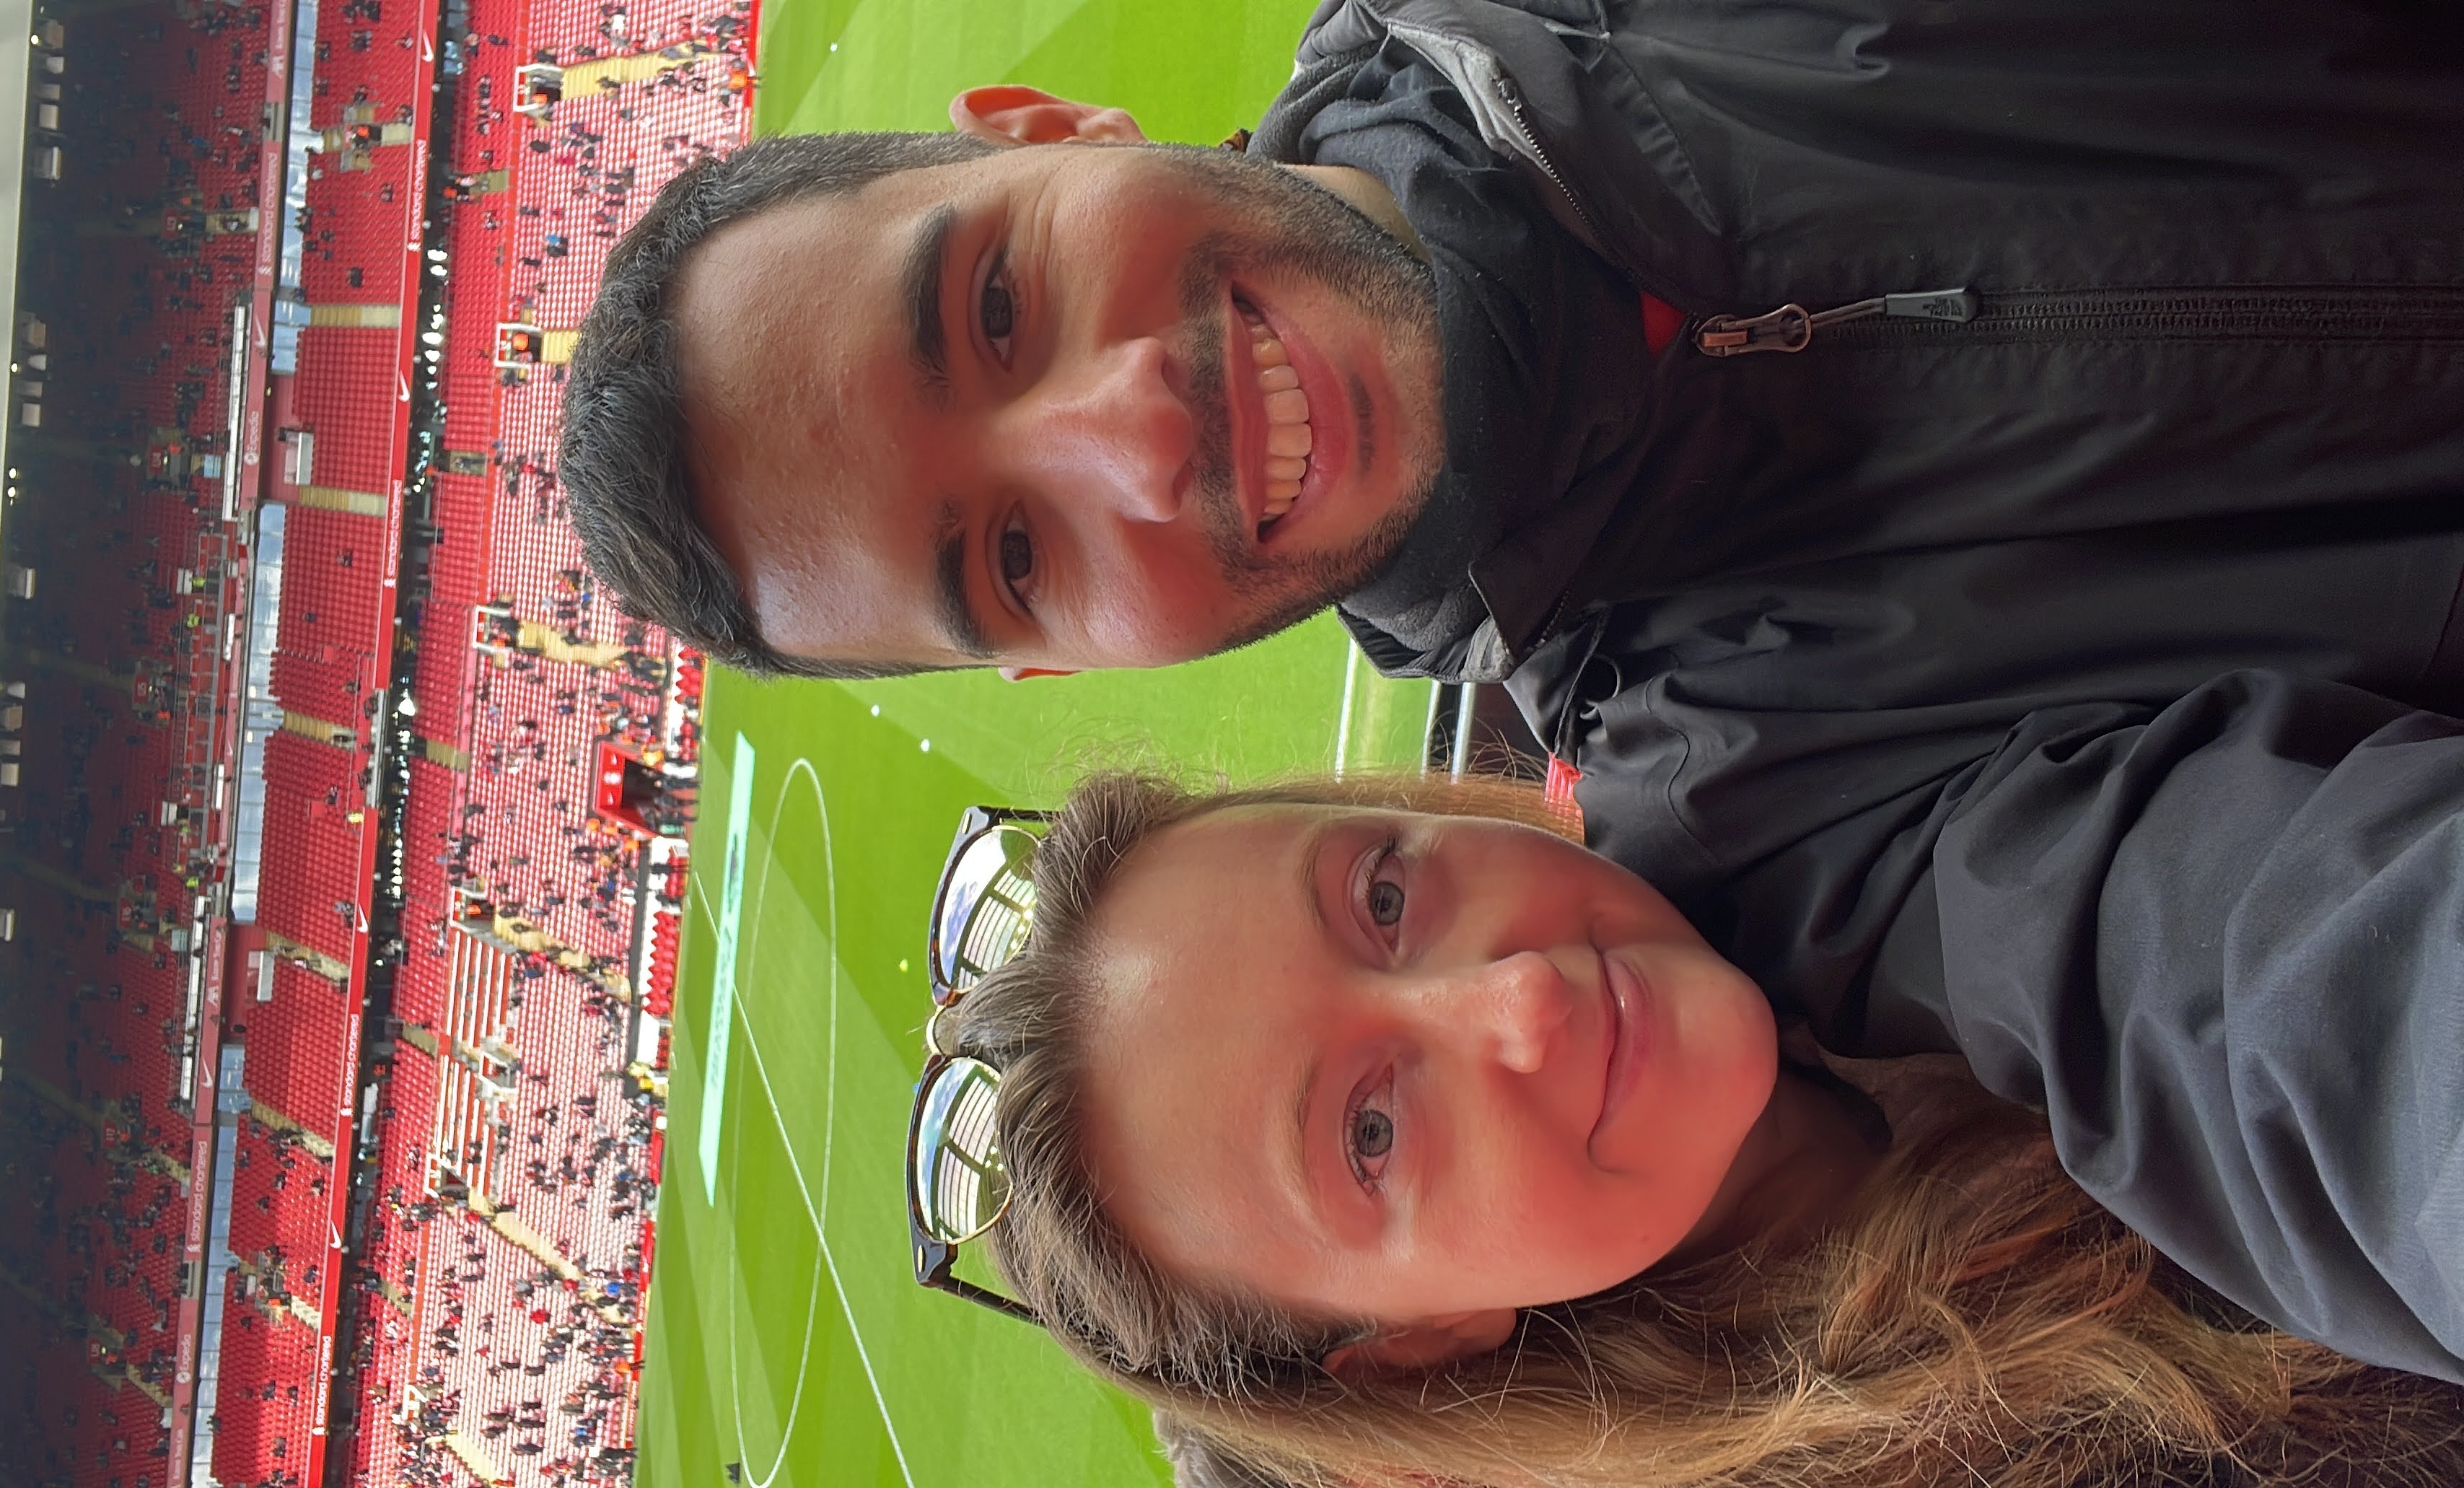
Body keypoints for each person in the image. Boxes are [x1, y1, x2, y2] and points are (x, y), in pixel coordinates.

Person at [563, 0, 2464, 1108]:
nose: (1134, 431)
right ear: (1060, 665)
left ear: (1050, 127)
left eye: (995, 301)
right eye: (1014, 556)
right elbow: (2318, 1021)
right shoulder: (1789, 840)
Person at [924, 767, 2464, 1487]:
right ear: (1418, 1339)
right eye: (1371, 1134)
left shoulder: (1842, 775)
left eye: (1385, 895)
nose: (1515, 997)